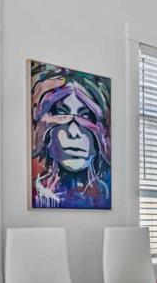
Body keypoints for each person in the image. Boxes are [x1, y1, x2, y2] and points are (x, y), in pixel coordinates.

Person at [30, 66, 111, 209]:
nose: (74, 132)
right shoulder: (35, 192)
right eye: (61, 113)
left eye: (86, 116)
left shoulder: (107, 192)